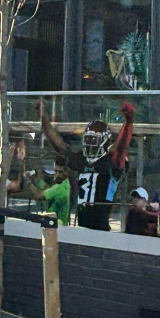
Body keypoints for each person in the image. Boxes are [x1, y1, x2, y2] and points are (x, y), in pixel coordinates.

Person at [38, 98, 135, 231]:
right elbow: (59, 145)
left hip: (101, 227)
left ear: (104, 142)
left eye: (93, 140)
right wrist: (43, 117)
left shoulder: (110, 162)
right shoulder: (83, 160)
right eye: (88, 139)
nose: (90, 144)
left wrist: (128, 123)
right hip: (81, 224)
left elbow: (121, 148)